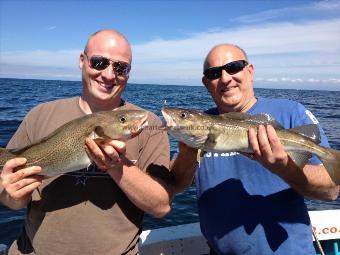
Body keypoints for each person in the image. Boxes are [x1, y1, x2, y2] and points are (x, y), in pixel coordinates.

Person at [0, 29, 173, 255]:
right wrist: (10, 194)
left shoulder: (148, 125)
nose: (109, 75)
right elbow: (12, 202)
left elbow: (161, 206)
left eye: (121, 67)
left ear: (129, 73)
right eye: (99, 62)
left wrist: (117, 166)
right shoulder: (39, 115)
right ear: (82, 61)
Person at [171, 44, 340, 254]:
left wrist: (284, 167)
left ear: (250, 71)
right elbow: (175, 185)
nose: (225, 78)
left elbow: (331, 190)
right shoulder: (201, 124)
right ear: (206, 83)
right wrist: (189, 151)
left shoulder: (291, 112)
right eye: (214, 73)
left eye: (233, 67)